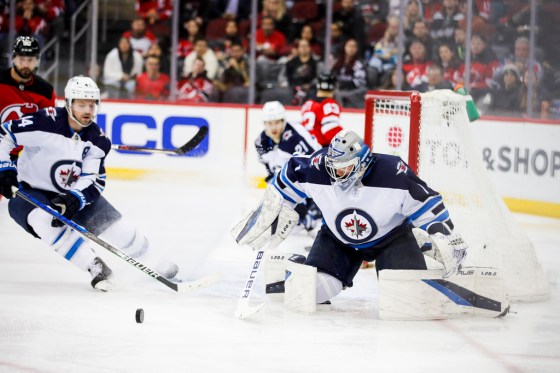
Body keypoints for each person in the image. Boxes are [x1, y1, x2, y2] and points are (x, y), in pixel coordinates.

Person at [233, 130, 468, 306]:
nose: (337, 174)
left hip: (391, 239)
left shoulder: (393, 172)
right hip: (338, 240)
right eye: (333, 167)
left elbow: (428, 202)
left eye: (344, 168)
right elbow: (289, 174)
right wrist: (271, 209)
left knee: (405, 299)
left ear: (363, 162)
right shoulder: (319, 168)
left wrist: (445, 234)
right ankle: (292, 265)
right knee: (310, 293)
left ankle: (418, 240)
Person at [0, 76, 178, 291]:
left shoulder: (98, 140)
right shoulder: (44, 122)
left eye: (92, 105)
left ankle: (154, 260)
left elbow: (93, 179)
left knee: (118, 228)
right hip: (31, 191)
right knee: (43, 218)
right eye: (81, 104)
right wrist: (4, 168)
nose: (88, 110)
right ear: (68, 104)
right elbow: (4, 134)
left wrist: (75, 198)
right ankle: (95, 267)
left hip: (69, 192)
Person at [0, 35, 55, 202]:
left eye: (30, 60)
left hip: (24, 157)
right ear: (14, 59)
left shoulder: (45, 92)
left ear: (37, 61)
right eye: (21, 59)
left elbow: (51, 129)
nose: (25, 65)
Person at [255, 101, 322, 231]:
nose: (273, 127)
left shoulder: (295, 137)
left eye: (277, 122)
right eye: (269, 123)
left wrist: (312, 204)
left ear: (283, 121)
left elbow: (315, 165)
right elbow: (271, 170)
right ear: (265, 124)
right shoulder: (260, 142)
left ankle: (314, 208)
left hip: (311, 178)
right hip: (291, 177)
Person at [300, 71, 343, 147]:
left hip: (305, 148)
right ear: (334, 87)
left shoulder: (308, 104)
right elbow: (330, 130)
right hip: (321, 151)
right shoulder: (329, 104)